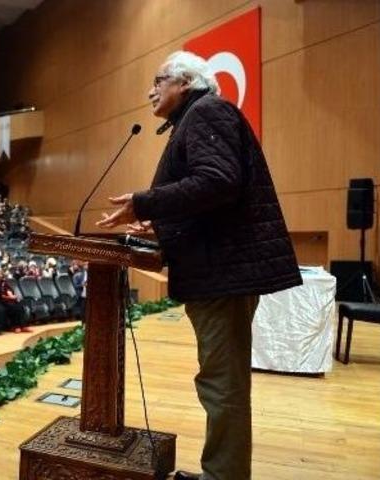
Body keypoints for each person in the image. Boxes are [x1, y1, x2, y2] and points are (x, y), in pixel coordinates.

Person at [96, 51, 302, 480]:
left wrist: (145, 202)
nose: (149, 90)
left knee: (222, 385)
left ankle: (224, 476)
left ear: (185, 82)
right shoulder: (197, 118)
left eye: (158, 80)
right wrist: (160, 223)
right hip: (217, 271)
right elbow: (210, 197)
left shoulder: (207, 112)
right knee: (219, 382)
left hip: (223, 275)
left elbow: (218, 181)